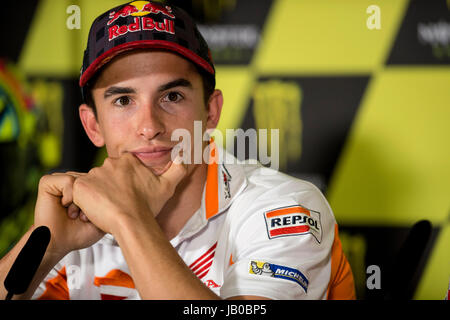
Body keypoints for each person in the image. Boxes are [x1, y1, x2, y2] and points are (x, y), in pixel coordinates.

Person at [0, 1, 355, 300]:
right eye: (123, 100)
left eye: (172, 97)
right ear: (93, 126)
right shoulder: (79, 224)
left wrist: (128, 220)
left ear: (210, 111)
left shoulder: (283, 208)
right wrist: (46, 248)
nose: (150, 125)